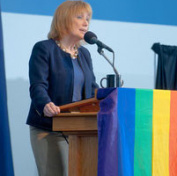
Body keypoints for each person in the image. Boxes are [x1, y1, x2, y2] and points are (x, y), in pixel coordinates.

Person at [26, 1, 98, 175]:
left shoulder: (84, 54)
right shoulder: (44, 49)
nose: (85, 22)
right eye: (79, 17)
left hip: (80, 128)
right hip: (49, 127)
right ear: (64, 20)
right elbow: (38, 85)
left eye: (87, 18)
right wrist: (45, 104)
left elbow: (92, 89)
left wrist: (108, 96)